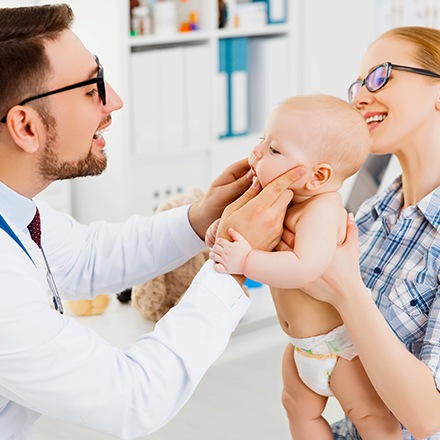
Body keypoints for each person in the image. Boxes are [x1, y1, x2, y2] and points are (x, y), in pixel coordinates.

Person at [0, 4, 306, 439]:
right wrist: (231, 262)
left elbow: (87, 257)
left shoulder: (15, 210)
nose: (115, 101)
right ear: (25, 127)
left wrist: (202, 220)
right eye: (92, 89)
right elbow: (132, 397)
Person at [279, 26, 440, 440]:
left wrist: (346, 291)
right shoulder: (370, 214)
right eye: (358, 84)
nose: (359, 98)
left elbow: (427, 418)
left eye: (380, 75)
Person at [209, 94, 402, 439]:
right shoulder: (280, 199)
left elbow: (305, 268)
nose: (257, 153)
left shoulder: (322, 210)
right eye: (261, 142)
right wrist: (222, 228)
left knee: (370, 417)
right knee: (298, 410)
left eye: (274, 150)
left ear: (318, 175)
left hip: (340, 349)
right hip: (301, 347)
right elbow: (242, 230)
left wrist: (246, 260)